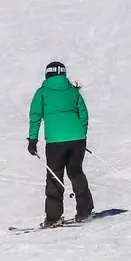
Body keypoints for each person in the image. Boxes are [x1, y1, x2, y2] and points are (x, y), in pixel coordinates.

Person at [27, 61, 92, 227]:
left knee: (54, 176)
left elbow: (35, 116)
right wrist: (81, 136)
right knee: (76, 173)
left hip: (56, 142)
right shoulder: (72, 92)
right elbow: (83, 115)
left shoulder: (42, 93)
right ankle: (84, 211)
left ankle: (54, 217)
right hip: (77, 140)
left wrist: (33, 140)